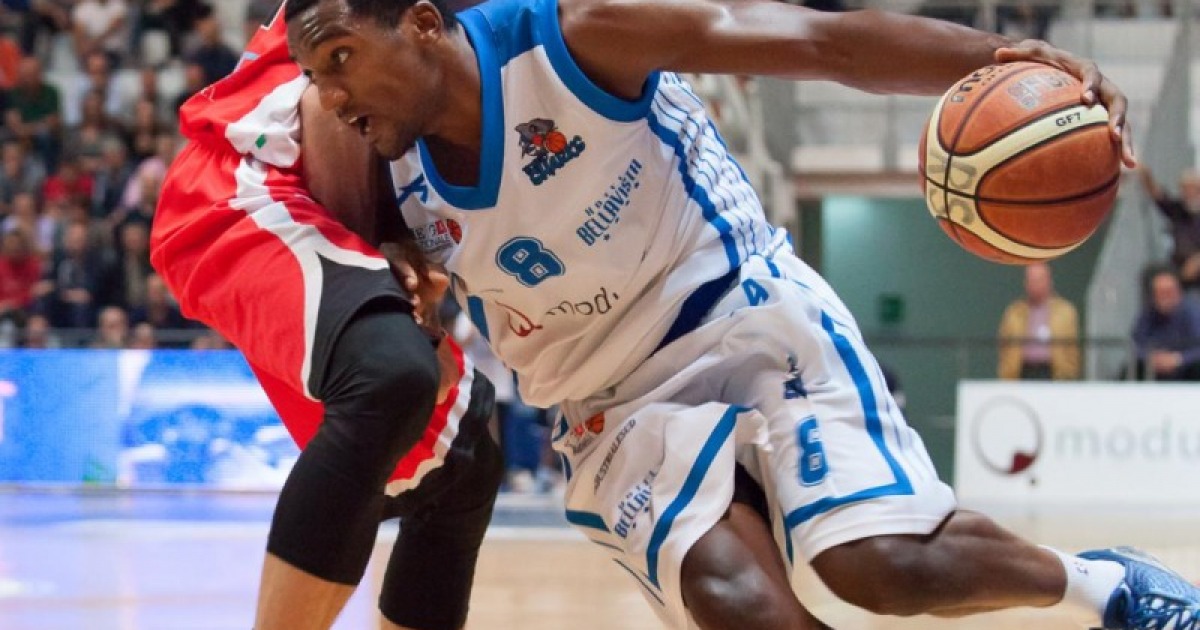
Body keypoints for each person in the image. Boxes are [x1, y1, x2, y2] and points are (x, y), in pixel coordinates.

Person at [284, 1, 1200, 629]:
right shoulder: (368, 155)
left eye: (342, 59)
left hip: (740, 309)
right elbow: (381, 289)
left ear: (422, 23)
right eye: (315, 74)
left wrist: (1008, 59)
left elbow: (822, 44)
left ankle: (1106, 584)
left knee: (882, 566)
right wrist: (399, 272)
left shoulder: (577, 37)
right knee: (741, 606)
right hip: (607, 407)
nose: (330, 94)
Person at [151, 7, 503, 630]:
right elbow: (327, 102)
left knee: (465, 464)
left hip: (299, 195)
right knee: (393, 373)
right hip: (245, 186)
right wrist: (415, 321)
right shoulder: (348, 47)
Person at [997, 262, 1081, 380]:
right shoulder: (1014, 312)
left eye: (1038, 280)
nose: (1034, 285)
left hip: (1053, 374)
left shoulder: (1065, 312)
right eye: (1031, 280)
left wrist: (1069, 374)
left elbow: (1072, 349)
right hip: (1022, 373)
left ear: (1049, 281)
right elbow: (1004, 348)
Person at [1130, 266, 1200, 381]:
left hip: (1186, 370)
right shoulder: (1147, 315)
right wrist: (1151, 357)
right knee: (1131, 369)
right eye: (1160, 293)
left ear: (1179, 292)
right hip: (1155, 369)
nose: (1165, 298)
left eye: (1169, 292)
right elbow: (1136, 344)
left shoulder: (1193, 313)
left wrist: (1178, 359)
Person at [1138, 165, 1200, 290]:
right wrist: (1144, 172)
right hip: (1177, 268)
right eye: (1184, 190)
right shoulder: (1178, 210)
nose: (1187, 194)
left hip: (1196, 269)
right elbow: (1157, 195)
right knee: (1151, 276)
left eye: (1191, 189)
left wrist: (1197, 261)